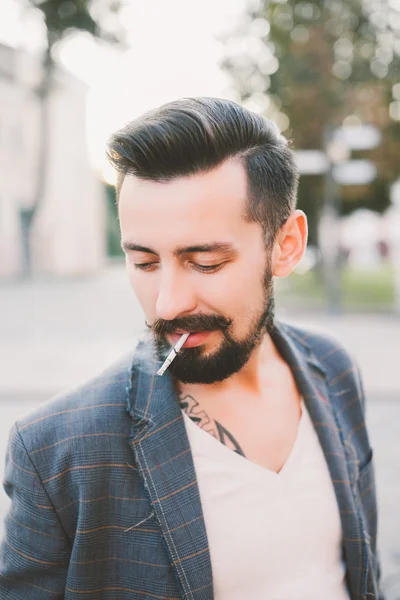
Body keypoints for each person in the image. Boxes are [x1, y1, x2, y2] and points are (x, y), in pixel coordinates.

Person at [0, 97, 383, 600]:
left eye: (204, 262)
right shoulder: (57, 453)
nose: (168, 303)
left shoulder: (333, 370)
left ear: (285, 245)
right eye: (144, 263)